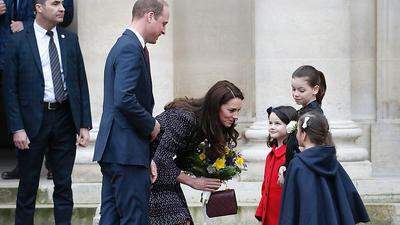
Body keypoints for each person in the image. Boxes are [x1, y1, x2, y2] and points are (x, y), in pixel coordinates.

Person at [2, 0, 92, 224]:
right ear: (38, 8)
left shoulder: (70, 40)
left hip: (64, 118)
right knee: (28, 187)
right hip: (32, 122)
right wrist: (17, 128)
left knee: (64, 185)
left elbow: (80, 82)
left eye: (62, 3)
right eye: (55, 3)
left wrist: (84, 124)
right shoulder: (18, 41)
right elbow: (10, 89)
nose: (62, 8)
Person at [93, 0, 169, 224]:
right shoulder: (129, 47)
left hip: (118, 152)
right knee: (134, 219)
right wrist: (152, 125)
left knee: (111, 218)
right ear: (149, 16)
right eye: (163, 23)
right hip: (126, 153)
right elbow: (124, 98)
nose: (164, 30)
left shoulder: (125, 45)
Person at [149, 80, 244, 225]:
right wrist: (193, 181)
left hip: (163, 179)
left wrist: (212, 172)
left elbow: (181, 159)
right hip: (147, 178)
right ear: (215, 107)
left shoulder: (204, 124)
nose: (236, 116)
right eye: (231, 110)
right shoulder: (184, 118)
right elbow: (159, 160)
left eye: (238, 111)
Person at [279, 112, 370, 225]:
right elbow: (349, 193)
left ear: (304, 134)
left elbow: (290, 205)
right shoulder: (331, 160)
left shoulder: (297, 164)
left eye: (297, 131)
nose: (296, 134)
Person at [0, 0, 35, 180]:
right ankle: (21, 165)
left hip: (31, 55)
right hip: (4, 56)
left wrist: (26, 25)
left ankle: (49, 164)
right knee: (10, 109)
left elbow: (64, 14)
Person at [255, 106, 297, 225]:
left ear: (290, 127)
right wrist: (260, 212)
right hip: (268, 216)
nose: (272, 127)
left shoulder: (292, 157)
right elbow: (265, 187)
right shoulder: (270, 156)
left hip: (284, 216)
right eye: (270, 123)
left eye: (277, 123)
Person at [283, 65, 327, 169]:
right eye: (293, 89)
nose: (295, 94)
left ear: (315, 89)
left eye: (301, 90)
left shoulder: (314, 116)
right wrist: (284, 166)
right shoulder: (300, 112)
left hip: (303, 169)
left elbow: (312, 151)